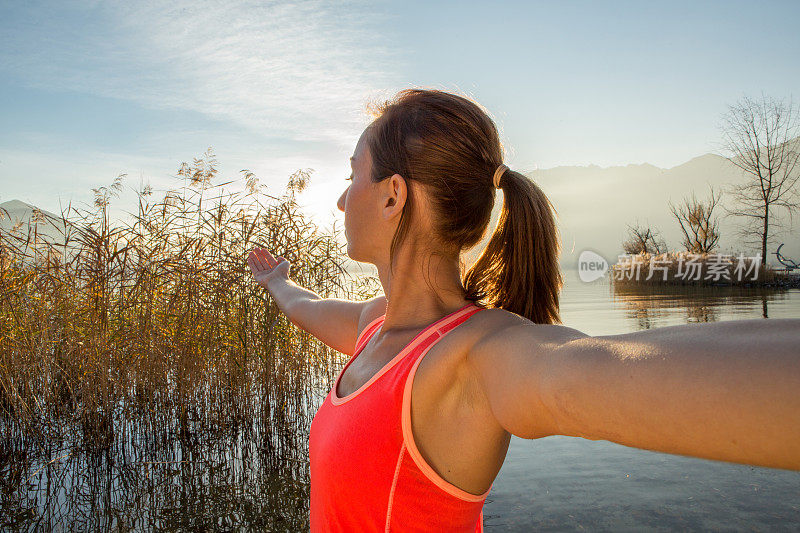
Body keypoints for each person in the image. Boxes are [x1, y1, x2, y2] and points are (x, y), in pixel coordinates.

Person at [246, 88, 800, 532]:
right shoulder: (374, 327)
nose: (342, 199)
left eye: (352, 175)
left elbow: (592, 362)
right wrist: (277, 282)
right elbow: (308, 307)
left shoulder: (480, 356)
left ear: (394, 195)